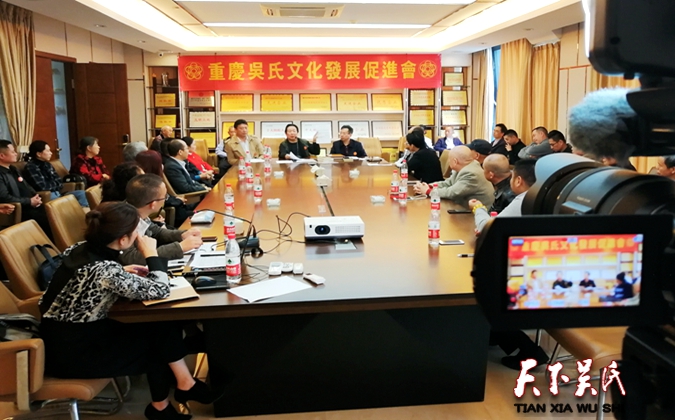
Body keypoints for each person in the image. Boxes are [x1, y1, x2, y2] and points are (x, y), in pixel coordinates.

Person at [39, 202, 219, 420]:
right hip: (75, 353)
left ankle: (172, 396)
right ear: (123, 240)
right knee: (158, 344)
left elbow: (87, 278)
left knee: (160, 326)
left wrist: (122, 271)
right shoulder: (104, 271)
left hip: (66, 335)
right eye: (136, 230)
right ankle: (174, 395)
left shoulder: (78, 248)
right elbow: (160, 290)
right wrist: (151, 254)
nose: (139, 235)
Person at [120, 174, 202, 265]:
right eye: (165, 197)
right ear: (153, 204)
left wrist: (182, 235)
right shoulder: (121, 221)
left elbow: (157, 232)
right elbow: (131, 258)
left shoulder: (138, 211)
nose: (165, 200)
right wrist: (179, 247)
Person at [413, 146, 494, 210]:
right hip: (463, 208)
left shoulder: (471, 173)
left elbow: (452, 192)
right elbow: (448, 183)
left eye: (449, 159)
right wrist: (428, 186)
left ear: (455, 161)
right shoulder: (464, 166)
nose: (448, 161)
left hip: (474, 214)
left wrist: (428, 191)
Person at [0, 140, 52, 237]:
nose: (16, 154)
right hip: (19, 209)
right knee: (46, 221)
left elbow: (26, 186)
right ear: (2, 156)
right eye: (12, 152)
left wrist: (36, 196)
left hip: (29, 204)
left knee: (53, 214)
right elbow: (5, 197)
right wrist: (29, 201)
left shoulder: (13, 169)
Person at [470, 158, 537, 233]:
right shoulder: (542, 196)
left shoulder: (524, 200)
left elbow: (488, 228)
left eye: (512, 177)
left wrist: (478, 207)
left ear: (518, 181)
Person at [135, 150, 196, 227]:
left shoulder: (147, 179)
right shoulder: (146, 183)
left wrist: (175, 198)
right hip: (174, 213)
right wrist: (178, 201)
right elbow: (162, 199)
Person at [23, 140, 89, 207]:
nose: (51, 153)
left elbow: (59, 182)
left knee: (82, 193)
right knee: (67, 202)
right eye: (48, 151)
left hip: (58, 193)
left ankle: (81, 212)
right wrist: (55, 184)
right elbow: (43, 187)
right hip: (47, 196)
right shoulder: (31, 167)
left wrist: (54, 184)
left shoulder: (48, 164)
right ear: (39, 154)